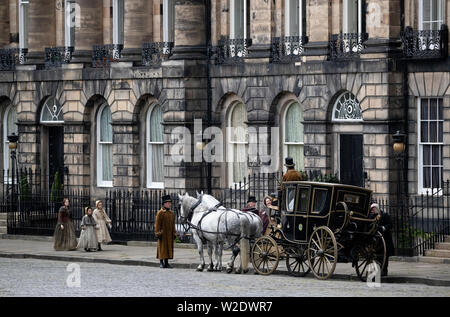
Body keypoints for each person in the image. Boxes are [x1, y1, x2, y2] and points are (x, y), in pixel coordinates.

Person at [370, 202, 395, 277]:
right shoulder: (371, 216)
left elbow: (390, 224)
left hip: (385, 238)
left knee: (385, 255)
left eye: (373, 209)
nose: (372, 211)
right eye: (372, 209)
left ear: (377, 209)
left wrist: (383, 228)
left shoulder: (385, 215)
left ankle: (384, 270)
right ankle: (378, 270)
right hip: (376, 240)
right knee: (377, 256)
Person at [155, 194, 177, 269]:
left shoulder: (171, 213)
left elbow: (173, 224)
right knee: (162, 248)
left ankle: (166, 262)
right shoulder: (160, 213)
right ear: (164, 204)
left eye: (170, 203)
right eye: (168, 203)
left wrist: (174, 233)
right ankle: (161, 262)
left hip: (169, 234)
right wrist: (158, 233)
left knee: (168, 248)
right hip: (163, 233)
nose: (169, 204)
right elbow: (157, 224)